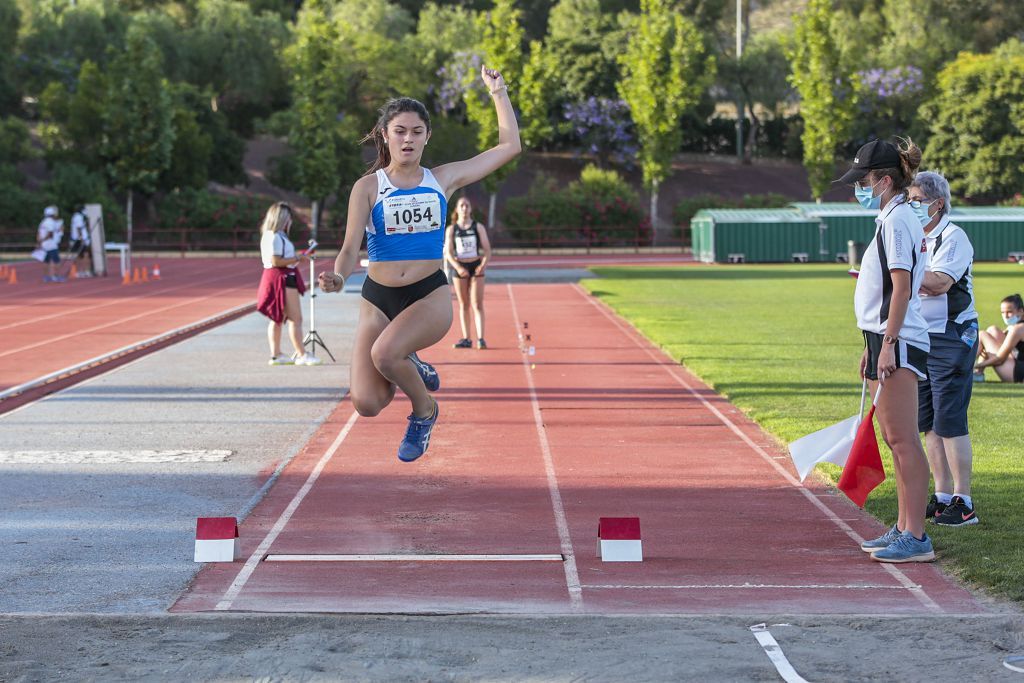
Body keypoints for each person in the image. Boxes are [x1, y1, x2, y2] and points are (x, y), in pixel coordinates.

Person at [319, 66, 520, 462]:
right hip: (378, 298)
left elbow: (508, 147)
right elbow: (348, 249)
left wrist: (498, 93)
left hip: (427, 294)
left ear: (428, 137)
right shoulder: (368, 187)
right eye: (399, 131)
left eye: (416, 131)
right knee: (367, 403)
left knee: (384, 354)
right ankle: (407, 358)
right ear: (385, 135)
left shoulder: (441, 179)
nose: (407, 138)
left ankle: (424, 411)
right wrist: (339, 276)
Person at [839, 138, 935, 563]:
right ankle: (903, 527)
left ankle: (916, 535)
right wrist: (871, 344)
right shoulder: (891, 216)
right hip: (885, 338)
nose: (858, 187)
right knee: (894, 439)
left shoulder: (898, 220)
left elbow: (902, 288)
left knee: (902, 439)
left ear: (884, 180)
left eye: (864, 180)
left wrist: (889, 343)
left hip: (900, 339)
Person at [909, 172, 980, 527]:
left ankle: (964, 502)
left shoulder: (953, 237)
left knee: (950, 418)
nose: (912, 206)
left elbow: (938, 283)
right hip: (924, 334)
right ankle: (941, 496)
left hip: (954, 335)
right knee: (929, 421)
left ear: (938, 203)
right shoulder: (916, 236)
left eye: (917, 200)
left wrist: (901, 270)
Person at [255, 202, 321, 367]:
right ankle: (301, 354)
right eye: (288, 217)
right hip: (282, 277)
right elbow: (276, 260)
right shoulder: (276, 236)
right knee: (295, 318)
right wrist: (299, 257)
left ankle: (276, 354)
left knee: (278, 317)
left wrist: (297, 257)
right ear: (283, 219)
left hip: (275, 276)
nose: (290, 220)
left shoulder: (270, 235)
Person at [444, 196, 492, 349]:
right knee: (463, 304)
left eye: (467, 205)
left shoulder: (478, 227)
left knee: (477, 304)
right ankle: (466, 338)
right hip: (460, 268)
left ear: (470, 209)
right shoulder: (452, 229)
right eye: (461, 206)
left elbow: (487, 250)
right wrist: (458, 267)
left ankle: (481, 338)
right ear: (457, 210)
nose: (464, 208)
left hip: (476, 266)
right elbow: (449, 253)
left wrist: (482, 266)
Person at [975, 293, 1024, 383]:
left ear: (1021, 311)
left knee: (982, 334)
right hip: (1018, 367)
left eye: (1009, 312)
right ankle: (978, 374)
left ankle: (965, 369)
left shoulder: (1018, 329)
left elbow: (999, 359)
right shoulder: (1015, 327)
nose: (1005, 316)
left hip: (1018, 375)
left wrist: (977, 365)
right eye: (1002, 312)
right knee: (992, 330)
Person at [36, 206, 64, 283]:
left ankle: (46, 277)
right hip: (51, 244)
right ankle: (57, 276)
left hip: (44, 244)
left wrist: (39, 242)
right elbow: (50, 234)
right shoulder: (50, 222)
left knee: (46, 261)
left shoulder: (42, 222)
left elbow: (38, 233)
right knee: (56, 261)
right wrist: (43, 240)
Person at [69, 205, 94, 277]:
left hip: (80, 238)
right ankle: (83, 270)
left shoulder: (78, 217)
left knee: (82, 255)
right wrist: (81, 238)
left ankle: (82, 271)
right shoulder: (78, 217)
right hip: (80, 239)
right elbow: (79, 228)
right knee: (84, 255)